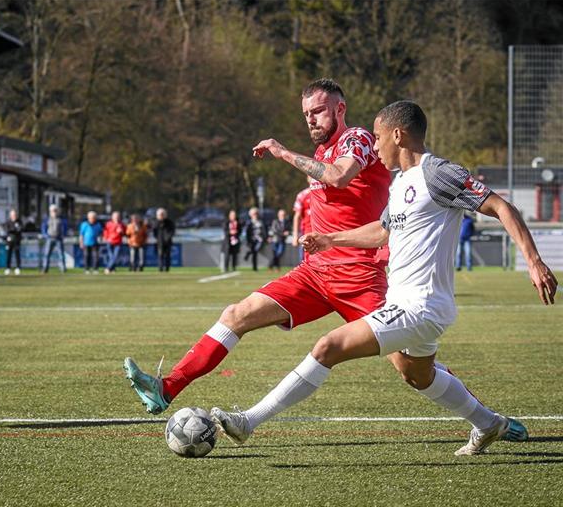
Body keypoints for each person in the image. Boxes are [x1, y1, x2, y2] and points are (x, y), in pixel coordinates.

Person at [121, 79, 528, 442]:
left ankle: (488, 420)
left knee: (412, 370)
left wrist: (281, 152)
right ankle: (166, 387)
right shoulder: (322, 150)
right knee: (236, 314)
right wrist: (325, 238)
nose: (311, 119)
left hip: (363, 278)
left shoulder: (360, 140)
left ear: (340, 109)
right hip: (316, 274)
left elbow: (338, 176)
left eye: (317, 111)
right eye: (305, 114)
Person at [211, 101, 557, 455]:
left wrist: (533, 261)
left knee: (327, 347)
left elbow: (501, 206)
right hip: (407, 304)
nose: (374, 146)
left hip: (420, 306)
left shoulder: (438, 173)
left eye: (377, 138)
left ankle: (248, 422)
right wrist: (331, 239)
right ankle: (489, 424)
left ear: (398, 135)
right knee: (417, 375)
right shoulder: (401, 182)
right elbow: (382, 231)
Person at [40, 204, 67, 273]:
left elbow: (64, 228)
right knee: (47, 254)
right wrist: (45, 235)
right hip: (50, 238)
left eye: (55, 210)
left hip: (58, 238)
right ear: (50, 211)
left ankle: (63, 269)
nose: (54, 212)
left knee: (61, 254)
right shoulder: (47, 219)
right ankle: (45, 268)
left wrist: (63, 235)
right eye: (53, 211)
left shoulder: (61, 219)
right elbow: (43, 228)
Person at [292, 181, 312, 261]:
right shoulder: (303, 195)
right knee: (306, 260)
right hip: (307, 233)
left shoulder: (326, 192)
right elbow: (297, 216)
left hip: (323, 232)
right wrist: (295, 236)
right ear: (307, 178)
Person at [244, 207, 266, 271]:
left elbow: (264, 230)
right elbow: (247, 233)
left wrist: (265, 237)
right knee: (254, 253)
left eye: (256, 213)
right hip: (252, 240)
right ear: (250, 215)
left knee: (255, 251)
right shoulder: (249, 222)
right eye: (253, 214)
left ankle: (248, 253)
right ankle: (255, 267)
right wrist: (248, 241)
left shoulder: (261, 222)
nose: (255, 215)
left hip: (259, 240)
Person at [153, 208, 175, 272]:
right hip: (160, 242)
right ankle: (160, 268)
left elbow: (172, 231)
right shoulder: (156, 223)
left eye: (163, 214)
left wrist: (168, 238)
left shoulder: (170, 222)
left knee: (167, 256)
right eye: (160, 214)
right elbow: (155, 232)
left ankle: (167, 268)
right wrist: (158, 238)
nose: (162, 216)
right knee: (160, 255)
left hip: (168, 242)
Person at [4, 209, 23, 275]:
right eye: (12, 215)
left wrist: (13, 230)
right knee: (8, 255)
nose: (14, 216)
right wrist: (13, 230)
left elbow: (19, 230)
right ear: (10, 215)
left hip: (17, 240)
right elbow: (7, 230)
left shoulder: (19, 222)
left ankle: (18, 267)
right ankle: (8, 268)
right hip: (9, 241)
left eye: (15, 215)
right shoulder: (8, 222)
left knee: (17, 254)